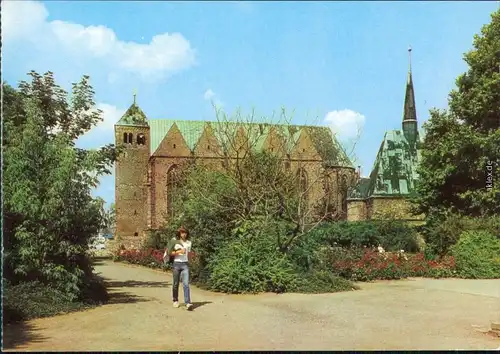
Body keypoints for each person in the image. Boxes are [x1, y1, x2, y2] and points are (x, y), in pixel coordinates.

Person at [169, 226, 193, 310]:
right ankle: (175, 300)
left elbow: (189, 254)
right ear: (179, 233)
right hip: (176, 264)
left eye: (185, 232)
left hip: (185, 265)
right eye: (182, 232)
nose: (184, 234)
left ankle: (188, 302)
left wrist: (190, 262)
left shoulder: (189, 243)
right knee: (176, 283)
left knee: (186, 284)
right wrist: (179, 252)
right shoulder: (175, 241)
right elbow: (170, 253)